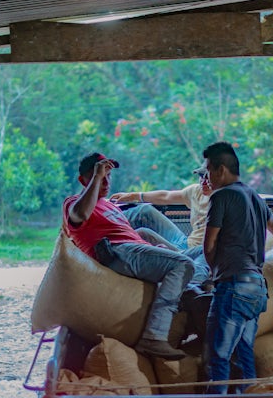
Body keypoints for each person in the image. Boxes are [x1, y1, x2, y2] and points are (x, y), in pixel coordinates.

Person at [63, 151, 193, 360]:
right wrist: (95, 179)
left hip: (132, 248)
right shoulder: (74, 202)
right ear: (83, 180)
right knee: (183, 265)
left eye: (108, 175)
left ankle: (200, 292)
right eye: (99, 175)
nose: (105, 181)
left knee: (199, 255)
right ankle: (153, 337)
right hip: (116, 252)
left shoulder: (108, 206)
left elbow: (136, 234)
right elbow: (79, 216)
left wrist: (157, 248)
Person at [199, 142, 273, 394]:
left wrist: (214, 275)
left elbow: (208, 245)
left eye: (208, 170)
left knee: (218, 357)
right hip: (256, 291)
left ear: (221, 170)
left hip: (233, 287)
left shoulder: (221, 197)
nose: (207, 177)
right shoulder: (254, 196)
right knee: (245, 359)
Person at [111, 181, 213, 286]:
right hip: (184, 242)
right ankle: (106, 220)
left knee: (143, 233)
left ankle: (191, 289)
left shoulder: (226, 199)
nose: (204, 181)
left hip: (199, 253)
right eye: (201, 176)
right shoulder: (197, 191)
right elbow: (166, 196)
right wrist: (134, 195)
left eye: (207, 176)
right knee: (145, 212)